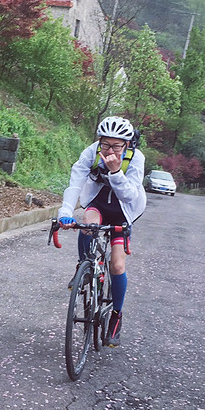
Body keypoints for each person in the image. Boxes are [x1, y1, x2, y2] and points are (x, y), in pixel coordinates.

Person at [58, 116, 147, 347]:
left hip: (124, 210)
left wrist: (116, 171)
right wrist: (65, 211)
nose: (110, 149)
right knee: (88, 224)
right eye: (106, 143)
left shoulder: (135, 158)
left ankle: (116, 315)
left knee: (117, 265)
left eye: (116, 145)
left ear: (126, 145)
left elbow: (130, 196)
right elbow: (75, 182)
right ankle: (84, 265)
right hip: (98, 203)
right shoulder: (92, 151)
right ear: (99, 141)